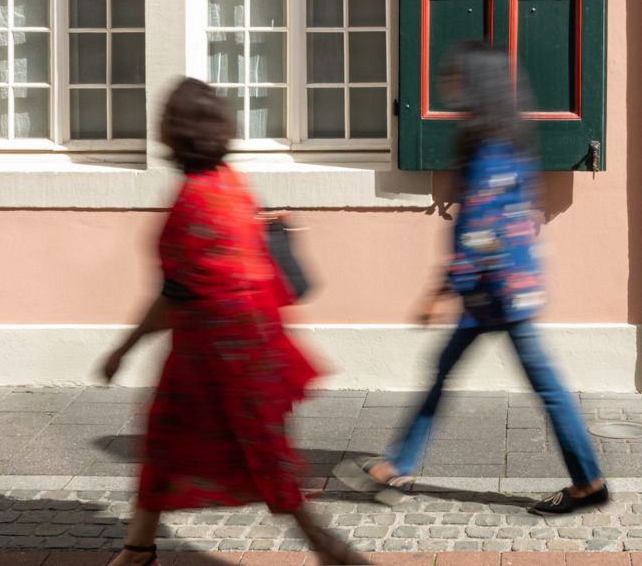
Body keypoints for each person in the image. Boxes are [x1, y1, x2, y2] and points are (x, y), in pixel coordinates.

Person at [99, 76, 364, 566]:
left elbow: (172, 296)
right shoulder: (233, 186)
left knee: (261, 454)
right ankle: (137, 549)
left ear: (175, 133)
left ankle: (329, 549)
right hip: (250, 344)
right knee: (175, 444)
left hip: (218, 356)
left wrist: (122, 349)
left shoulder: (190, 205)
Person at [367, 45, 609, 515]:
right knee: (448, 374)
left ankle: (588, 481)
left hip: (498, 294)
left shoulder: (490, 150)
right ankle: (396, 464)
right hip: (500, 290)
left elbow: (479, 235)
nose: (449, 86)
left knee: (546, 390)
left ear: (478, 85)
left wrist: (439, 293)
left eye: (457, 77)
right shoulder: (507, 140)